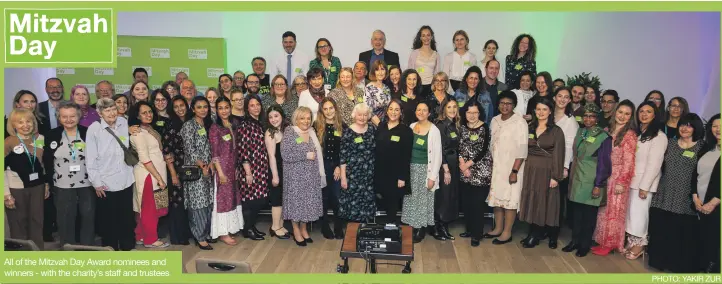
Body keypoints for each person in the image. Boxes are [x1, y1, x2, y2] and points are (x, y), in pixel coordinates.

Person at [648, 113, 705, 273]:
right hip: (664, 194)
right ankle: (659, 262)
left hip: (686, 197)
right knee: (661, 231)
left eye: (689, 125)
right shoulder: (670, 143)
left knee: (681, 234)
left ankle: (678, 265)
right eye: (682, 124)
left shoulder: (702, 147)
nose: (684, 128)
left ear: (696, 128)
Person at [86, 98, 135, 251]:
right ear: (99, 113)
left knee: (126, 217)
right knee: (109, 220)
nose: (112, 112)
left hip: (126, 178)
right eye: (107, 110)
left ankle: (127, 246)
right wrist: (96, 182)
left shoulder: (123, 122)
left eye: (113, 108)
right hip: (105, 181)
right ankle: (110, 248)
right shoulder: (94, 129)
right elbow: (90, 158)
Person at [42, 101, 94, 246]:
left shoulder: (88, 132)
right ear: (59, 117)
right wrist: (47, 182)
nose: (69, 120)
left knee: (88, 217)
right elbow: (46, 161)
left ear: (79, 116)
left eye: (72, 116)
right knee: (65, 219)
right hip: (62, 184)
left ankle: (87, 247)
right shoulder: (51, 135)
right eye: (64, 116)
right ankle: (67, 248)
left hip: (87, 183)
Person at [563, 103, 612, 257]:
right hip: (577, 178)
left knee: (589, 216)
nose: (588, 119)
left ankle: (584, 245)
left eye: (591, 116)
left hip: (592, 180)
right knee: (576, 214)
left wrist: (598, 184)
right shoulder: (581, 131)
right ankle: (574, 241)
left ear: (597, 118)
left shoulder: (603, 137)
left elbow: (604, 163)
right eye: (585, 116)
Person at [518, 97, 566, 249]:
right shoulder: (529, 127)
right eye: (538, 109)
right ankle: (532, 232)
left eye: (544, 109)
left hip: (547, 171)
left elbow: (559, 154)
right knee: (532, 199)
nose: (541, 112)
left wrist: (556, 176)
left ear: (550, 111)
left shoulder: (556, 131)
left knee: (544, 202)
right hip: (530, 169)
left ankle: (536, 235)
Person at [592, 100, 637, 256]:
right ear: (615, 112)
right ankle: (602, 241)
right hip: (605, 175)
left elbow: (629, 161)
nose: (622, 116)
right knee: (603, 210)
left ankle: (610, 244)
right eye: (620, 112)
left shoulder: (629, 135)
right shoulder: (607, 130)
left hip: (618, 178)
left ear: (631, 117)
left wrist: (622, 182)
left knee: (615, 213)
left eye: (627, 114)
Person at [624, 101, 667, 260]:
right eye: (641, 111)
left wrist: (645, 187)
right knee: (631, 215)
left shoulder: (659, 136)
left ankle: (640, 245)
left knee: (640, 216)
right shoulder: (640, 133)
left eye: (648, 111)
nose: (644, 114)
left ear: (655, 115)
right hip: (631, 180)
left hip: (643, 184)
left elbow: (654, 164)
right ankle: (632, 241)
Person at [486, 91, 528, 245]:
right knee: (497, 199)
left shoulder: (519, 122)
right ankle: (497, 228)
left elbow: (523, 150)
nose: (505, 106)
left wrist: (515, 171)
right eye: (502, 103)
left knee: (510, 200)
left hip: (512, 167)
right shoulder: (495, 120)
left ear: (514, 105)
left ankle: (507, 232)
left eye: (508, 103)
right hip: (497, 166)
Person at [4, 108, 49, 250]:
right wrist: (6, 194)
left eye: (28, 121)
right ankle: (21, 259)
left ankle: (37, 255)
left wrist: (46, 184)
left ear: (33, 122)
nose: (25, 125)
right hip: (15, 188)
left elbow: (43, 165)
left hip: (37, 187)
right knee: (18, 224)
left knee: (37, 222)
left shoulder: (40, 139)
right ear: (13, 125)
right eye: (20, 122)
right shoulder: (9, 142)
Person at [281, 107, 326, 247]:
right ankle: (296, 230)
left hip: (311, 175)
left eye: (308, 118)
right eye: (302, 118)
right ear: (296, 119)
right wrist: (304, 155)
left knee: (308, 203)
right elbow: (285, 155)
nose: (306, 121)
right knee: (296, 203)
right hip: (295, 176)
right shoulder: (290, 132)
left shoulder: (312, 132)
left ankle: (304, 228)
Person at [128, 101, 170, 248]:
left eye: (150, 112)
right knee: (149, 210)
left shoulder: (149, 130)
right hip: (148, 176)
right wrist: (159, 178)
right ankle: (150, 240)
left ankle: (140, 235)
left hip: (155, 173)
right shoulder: (138, 133)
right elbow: (145, 158)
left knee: (144, 209)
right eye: (144, 112)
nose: (148, 115)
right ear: (137, 115)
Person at [404, 102, 443, 243]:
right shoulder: (411, 127)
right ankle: (412, 226)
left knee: (423, 200)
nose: (421, 112)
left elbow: (438, 155)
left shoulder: (434, 130)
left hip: (425, 169)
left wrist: (432, 177)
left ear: (429, 113)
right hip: (411, 168)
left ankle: (421, 228)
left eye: (424, 110)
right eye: (418, 109)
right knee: (411, 199)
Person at [181, 97, 215, 250]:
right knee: (198, 204)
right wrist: (203, 166)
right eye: (199, 107)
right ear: (193, 109)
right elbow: (189, 149)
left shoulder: (208, 123)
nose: (203, 109)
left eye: (205, 107)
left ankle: (205, 233)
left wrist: (211, 165)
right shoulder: (189, 126)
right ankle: (199, 237)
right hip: (196, 171)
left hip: (209, 168)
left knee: (208, 202)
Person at [457, 100, 492, 247]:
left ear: (480, 113)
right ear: (465, 113)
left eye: (475, 112)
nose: (472, 115)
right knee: (467, 203)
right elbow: (459, 146)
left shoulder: (484, 127)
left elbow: (483, 150)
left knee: (477, 204)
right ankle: (470, 230)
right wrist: (462, 165)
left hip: (480, 170)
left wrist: (467, 165)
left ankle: (477, 234)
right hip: (464, 170)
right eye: (469, 112)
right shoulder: (462, 127)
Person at [209, 96, 243, 246]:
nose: (224, 111)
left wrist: (236, 168)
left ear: (230, 108)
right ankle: (222, 233)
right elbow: (215, 153)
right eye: (220, 108)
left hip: (232, 168)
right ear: (216, 110)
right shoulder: (215, 128)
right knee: (222, 201)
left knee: (232, 199)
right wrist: (220, 173)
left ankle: (230, 228)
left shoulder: (233, 124)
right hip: (222, 169)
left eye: (226, 107)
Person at [375, 99, 413, 226]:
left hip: (396, 175)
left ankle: (391, 231)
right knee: (383, 201)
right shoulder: (381, 128)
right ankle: (382, 231)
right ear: (387, 111)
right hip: (380, 173)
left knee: (392, 204)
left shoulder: (406, 131)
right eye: (391, 109)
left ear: (401, 112)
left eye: (397, 109)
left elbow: (406, 156)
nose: (393, 112)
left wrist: (402, 177)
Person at [236, 95, 270, 240]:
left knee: (260, 200)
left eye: (257, 104)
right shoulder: (245, 125)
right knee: (250, 202)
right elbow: (243, 150)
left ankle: (251, 226)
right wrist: (248, 172)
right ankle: (247, 229)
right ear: (247, 108)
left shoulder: (260, 123)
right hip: (250, 169)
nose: (256, 107)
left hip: (261, 168)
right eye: (252, 105)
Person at [339, 104, 377, 225]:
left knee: (367, 203)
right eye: (360, 114)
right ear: (354, 115)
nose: (362, 117)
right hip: (353, 175)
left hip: (369, 175)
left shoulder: (372, 129)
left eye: (365, 115)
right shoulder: (348, 132)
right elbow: (343, 156)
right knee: (353, 205)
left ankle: (365, 231)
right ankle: (354, 232)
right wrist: (343, 177)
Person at [162, 96, 193, 245]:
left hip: (191, 169)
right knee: (177, 204)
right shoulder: (170, 125)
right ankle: (178, 236)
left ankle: (187, 233)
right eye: (176, 106)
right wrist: (173, 173)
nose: (180, 109)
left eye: (182, 105)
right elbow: (167, 151)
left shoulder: (191, 122)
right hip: (176, 169)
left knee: (188, 203)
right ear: (172, 109)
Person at [314, 98, 345, 239]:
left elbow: (345, 149)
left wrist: (339, 166)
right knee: (323, 198)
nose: (328, 111)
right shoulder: (316, 126)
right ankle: (325, 226)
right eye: (325, 109)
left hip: (338, 166)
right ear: (322, 111)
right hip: (322, 166)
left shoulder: (342, 126)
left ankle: (339, 227)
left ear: (335, 108)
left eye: (331, 108)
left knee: (337, 197)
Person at [694, 114, 721, 273]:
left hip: (715, 205)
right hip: (700, 202)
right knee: (703, 239)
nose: (718, 129)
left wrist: (714, 202)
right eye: (715, 125)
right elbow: (694, 175)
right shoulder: (707, 148)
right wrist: (695, 197)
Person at [433, 98, 461, 240]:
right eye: (449, 107)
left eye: (454, 106)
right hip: (444, 165)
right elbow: (440, 149)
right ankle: (439, 227)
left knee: (450, 195)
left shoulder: (455, 124)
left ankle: (444, 225)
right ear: (443, 109)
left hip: (454, 163)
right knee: (443, 196)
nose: (452, 109)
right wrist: (446, 170)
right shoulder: (440, 125)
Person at [264, 106, 291, 240]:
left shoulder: (284, 130)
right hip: (276, 170)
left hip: (285, 169)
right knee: (276, 199)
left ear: (282, 115)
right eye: (270, 117)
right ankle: (275, 227)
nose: (274, 119)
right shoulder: (270, 132)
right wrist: (275, 175)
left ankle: (280, 224)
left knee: (282, 198)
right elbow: (271, 155)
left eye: (276, 116)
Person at [407, 26, 441, 95]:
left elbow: (437, 74)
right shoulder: (414, 53)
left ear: (431, 37)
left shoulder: (436, 55)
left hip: (431, 88)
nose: (426, 38)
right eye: (423, 35)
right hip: (416, 87)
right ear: (420, 38)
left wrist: (434, 86)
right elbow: (410, 72)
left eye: (428, 35)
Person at [364, 60, 392, 126]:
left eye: (382, 69)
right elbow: (367, 109)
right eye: (377, 70)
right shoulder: (369, 87)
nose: (380, 72)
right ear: (374, 72)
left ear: (386, 71)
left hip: (387, 122)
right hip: (373, 123)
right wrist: (379, 125)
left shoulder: (386, 88)